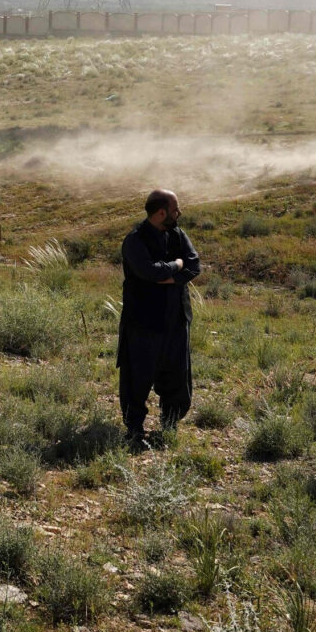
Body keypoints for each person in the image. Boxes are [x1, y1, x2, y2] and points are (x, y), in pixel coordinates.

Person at [117, 188, 201, 445]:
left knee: (177, 375)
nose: (179, 213)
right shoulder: (135, 240)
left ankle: (170, 423)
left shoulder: (178, 234)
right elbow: (149, 272)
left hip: (176, 319)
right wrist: (176, 265)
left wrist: (170, 278)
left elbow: (194, 265)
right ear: (161, 213)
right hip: (143, 322)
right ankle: (134, 429)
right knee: (137, 377)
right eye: (175, 210)